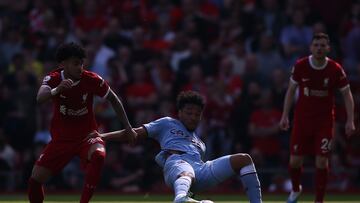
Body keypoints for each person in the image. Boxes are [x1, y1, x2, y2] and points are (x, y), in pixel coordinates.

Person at [91, 90, 262, 203]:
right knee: (185, 170)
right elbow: (133, 133)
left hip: (200, 170)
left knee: (244, 159)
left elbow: (198, 167)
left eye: (197, 114)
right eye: (189, 112)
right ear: (179, 112)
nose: (193, 117)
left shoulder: (199, 142)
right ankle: (180, 198)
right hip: (176, 163)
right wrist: (103, 136)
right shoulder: (167, 123)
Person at [28, 42, 137, 203]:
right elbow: (40, 98)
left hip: (87, 136)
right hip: (61, 140)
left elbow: (114, 99)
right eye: (75, 63)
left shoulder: (91, 79)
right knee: (35, 181)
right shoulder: (54, 78)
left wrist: (128, 127)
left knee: (99, 155)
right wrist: (57, 89)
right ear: (63, 64)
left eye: (81, 63)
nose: (80, 67)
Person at [279, 33, 355, 203]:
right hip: (302, 120)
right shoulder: (301, 66)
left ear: (328, 48)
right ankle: (296, 189)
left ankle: (319, 200)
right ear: (311, 47)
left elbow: (347, 95)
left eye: (322, 45)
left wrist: (350, 120)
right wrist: (285, 115)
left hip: (324, 122)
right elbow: (291, 91)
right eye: (316, 45)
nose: (319, 48)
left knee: (321, 161)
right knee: (295, 160)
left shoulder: (335, 69)